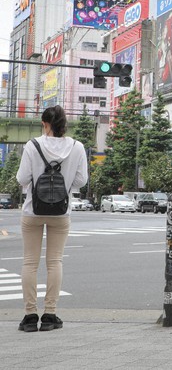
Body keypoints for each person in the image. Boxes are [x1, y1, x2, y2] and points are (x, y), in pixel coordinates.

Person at [16, 106, 88, 332]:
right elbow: (81, 181)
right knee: (54, 262)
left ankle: (30, 316)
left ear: (45, 124)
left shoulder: (32, 145)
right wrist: (63, 183)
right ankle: (49, 315)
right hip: (60, 212)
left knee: (30, 262)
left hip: (32, 211)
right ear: (63, 124)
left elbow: (22, 178)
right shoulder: (77, 147)